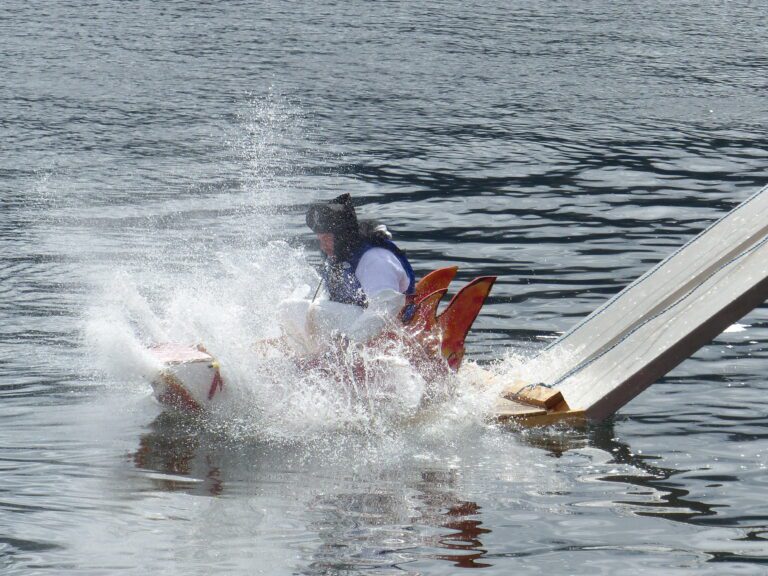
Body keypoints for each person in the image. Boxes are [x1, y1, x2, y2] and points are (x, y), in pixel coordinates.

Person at [276, 194, 416, 356]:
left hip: (391, 329)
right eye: (320, 239)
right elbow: (332, 301)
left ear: (343, 236)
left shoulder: (374, 259)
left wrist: (349, 345)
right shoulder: (341, 256)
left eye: (327, 239)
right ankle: (306, 358)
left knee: (318, 312)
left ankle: (329, 362)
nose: (323, 246)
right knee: (287, 309)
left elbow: (387, 305)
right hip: (354, 322)